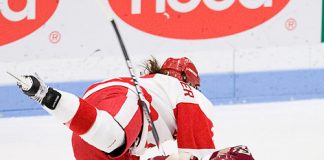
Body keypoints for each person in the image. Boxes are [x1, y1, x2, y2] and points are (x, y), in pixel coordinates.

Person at [15, 57, 255, 160]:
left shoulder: (156, 85)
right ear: (189, 82)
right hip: (124, 103)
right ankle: (50, 97)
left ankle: (55, 102)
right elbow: (197, 155)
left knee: (113, 142)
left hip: (87, 121)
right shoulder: (188, 93)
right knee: (113, 138)